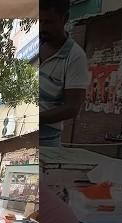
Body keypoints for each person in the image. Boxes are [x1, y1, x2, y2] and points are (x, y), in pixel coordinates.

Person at [39, 0, 90, 147]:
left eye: (49, 22)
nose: (42, 27)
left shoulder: (75, 57)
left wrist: (37, 119)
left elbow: (72, 107)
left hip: (47, 142)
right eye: (39, 21)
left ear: (65, 18)